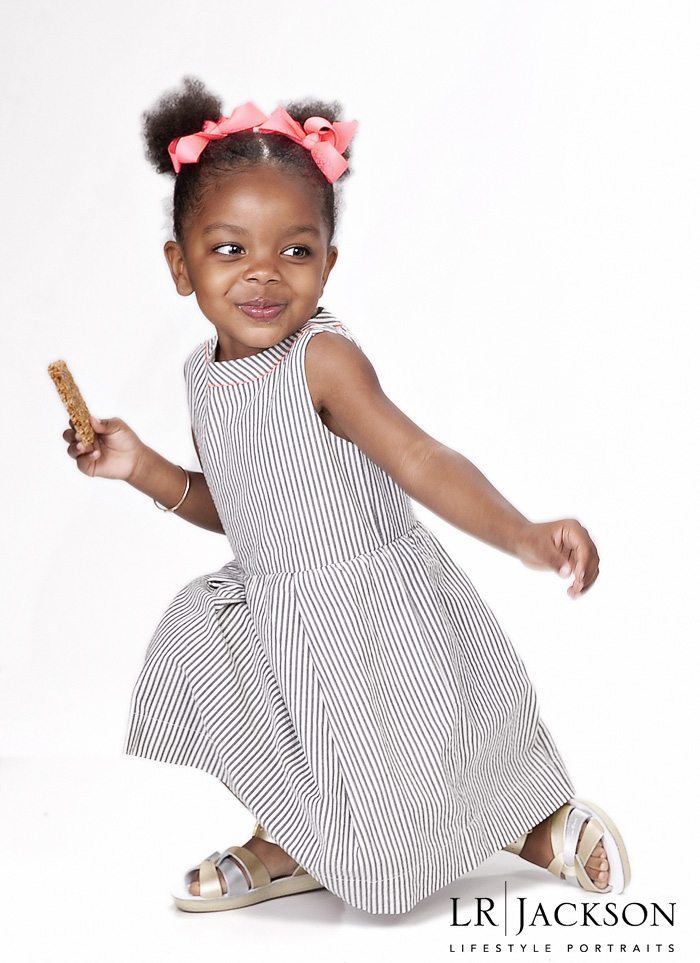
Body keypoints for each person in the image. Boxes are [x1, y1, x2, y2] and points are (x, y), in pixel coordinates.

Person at [62, 76, 630, 916]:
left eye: (295, 250)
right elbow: (246, 505)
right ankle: (295, 840)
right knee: (271, 715)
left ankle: (531, 823)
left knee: (434, 745)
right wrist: (140, 465)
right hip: (278, 609)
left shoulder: (321, 362)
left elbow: (418, 457)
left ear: (329, 263)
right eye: (229, 250)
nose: (263, 274)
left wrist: (520, 532)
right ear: (180, 267)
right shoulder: (202, 376)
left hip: (366, 599)